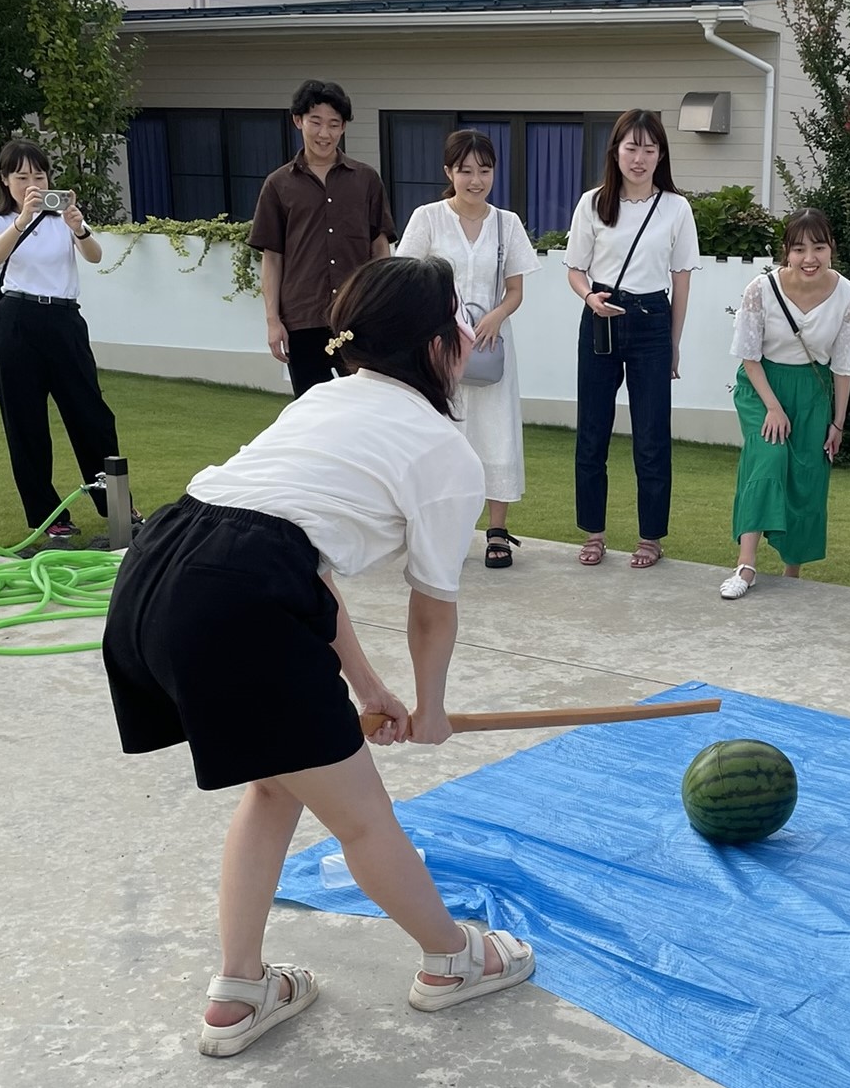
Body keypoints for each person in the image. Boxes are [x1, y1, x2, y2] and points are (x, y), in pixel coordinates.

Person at [101, 257, 535, 1058]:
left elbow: (295, 559)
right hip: (240, 597)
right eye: (462, 318)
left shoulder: (326, 400)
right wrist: (431, 707)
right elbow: (432, 607)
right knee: (363, 817)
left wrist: (369, 686)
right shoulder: (444, 450)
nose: (473, 329)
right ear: (441, 347)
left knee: (276, 780)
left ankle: (238, 989)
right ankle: (452, 958)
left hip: (161, 569)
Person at [0, 139, 139, 542]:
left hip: (64, 319)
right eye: (21, 176)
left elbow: (95, 255)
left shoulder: (60, 219)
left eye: (38, 175)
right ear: (5, 179)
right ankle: (49, 518)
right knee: (25, 422)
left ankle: (118, 506)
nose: (31, 183)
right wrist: (23, 218)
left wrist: (78, 227)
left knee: (92, 416)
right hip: (15, 321)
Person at [396, 130, 541, 568]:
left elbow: (515, 289)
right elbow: (409, 277)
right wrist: (446, 321)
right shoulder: (427, 218)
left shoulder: (507, 223)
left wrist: (496, 315)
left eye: (484, 170)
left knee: (497, 431)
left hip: (491, 344)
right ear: (448, 172)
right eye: (465, 171)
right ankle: (443, 527)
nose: (475, 180)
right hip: (441, 346)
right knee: (443, 433)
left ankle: (497, 529)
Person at [565, 108, 700, 569]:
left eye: (649, 148)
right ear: (616, 151)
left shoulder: (676, 208)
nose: (639, 158)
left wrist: (674, 343)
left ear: (661, 154)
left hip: (651, 321)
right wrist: (589, 298)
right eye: (631, 147)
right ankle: (594, 533)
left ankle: (650, 538)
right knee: (592, 432)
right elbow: (575, 270)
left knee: (651, 436)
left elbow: (681, 280)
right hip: (600, 318)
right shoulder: (593, 202)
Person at [719, 208, 850, 598]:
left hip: (812, 389)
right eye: (799, 248)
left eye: (819, 247)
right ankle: (745, 565)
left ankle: (792, 572)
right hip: (763, 386)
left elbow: (845, 366)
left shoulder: (847, 294)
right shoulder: (761, 289)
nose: (809, 258)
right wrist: (771, 405)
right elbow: (748, 355)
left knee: (806, 476)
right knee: (767, 458)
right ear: (786, 251)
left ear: (831, 248)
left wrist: (837, 424)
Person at [249, 79, 396, 397]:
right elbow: (272, 257)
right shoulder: (278, 185)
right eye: (316, 122)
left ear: (343, 128)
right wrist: (273, 321)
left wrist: (384, 309)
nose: (324, 133)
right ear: (298, 120)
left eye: (334, 124)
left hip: (357, 316)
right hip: (302, 319)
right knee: (311, 412)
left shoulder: (367, 180)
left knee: (366, 405)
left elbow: (379, 248)